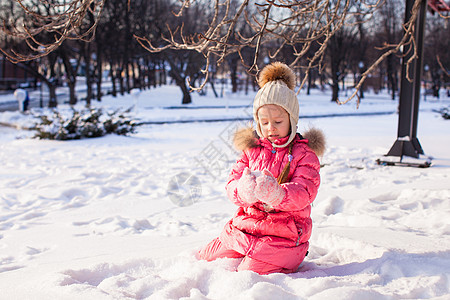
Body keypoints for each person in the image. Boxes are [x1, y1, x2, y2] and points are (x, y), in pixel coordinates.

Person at [198, 62, 325, 275]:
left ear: (292, 120)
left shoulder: (304, 155)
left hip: (283, 236)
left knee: (248, 274)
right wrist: (242, 190)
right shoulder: (252, 150)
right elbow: (231, 184)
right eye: (264, 122)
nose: (270, 128)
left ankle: (278, 265)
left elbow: (305, 192)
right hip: (247, 227)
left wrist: (278, 194)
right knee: (206, 257)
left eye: (277, 121)